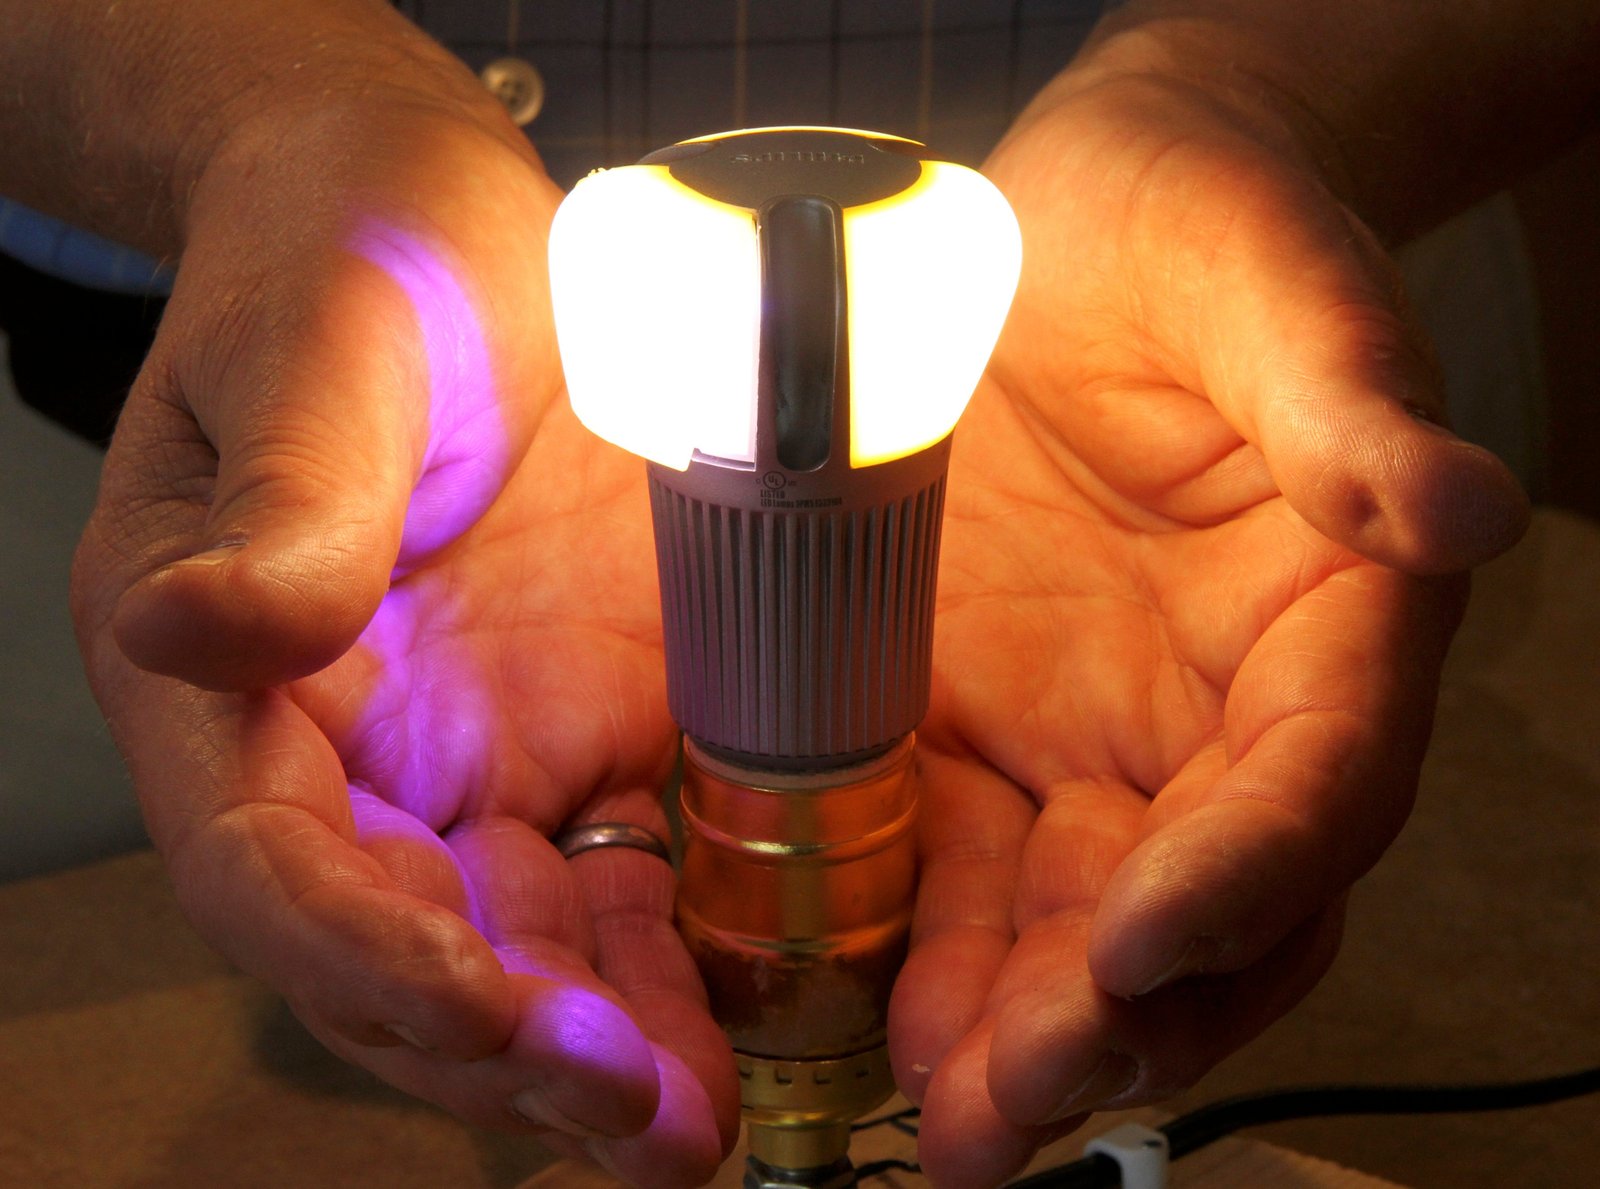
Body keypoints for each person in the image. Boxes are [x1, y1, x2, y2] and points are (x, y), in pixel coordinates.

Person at [2, 1, 1593, 1186]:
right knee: (381, 961)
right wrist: (274, 112)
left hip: (1196, 440)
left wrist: (1252, 90)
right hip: (312, 419)